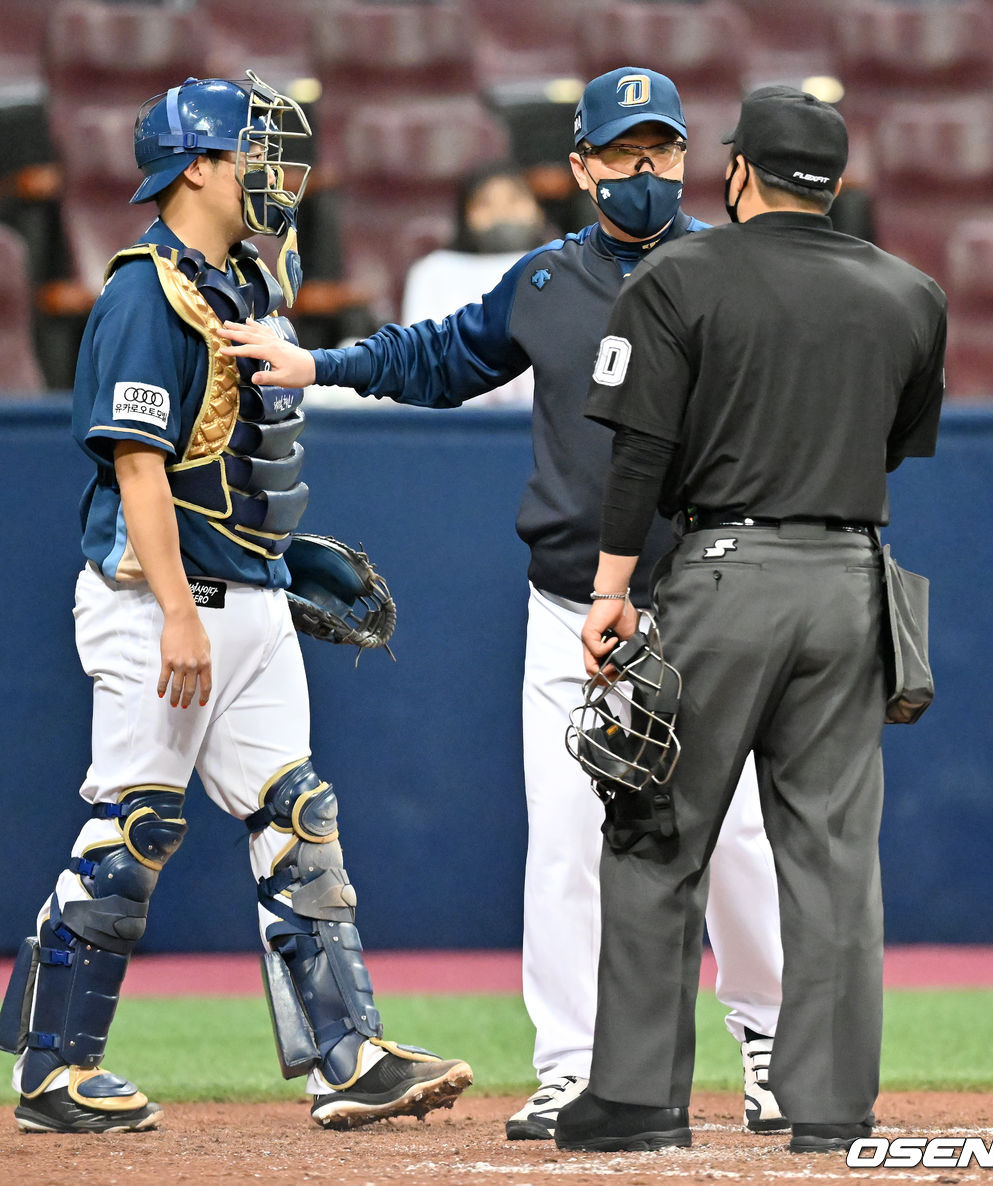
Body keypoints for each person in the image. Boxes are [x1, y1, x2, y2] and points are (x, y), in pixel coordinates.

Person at [220, 66, 787, 1141]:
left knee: (738, 835)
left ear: (687, 160)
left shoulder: (733, 270)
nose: (644, 172)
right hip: (569, 608)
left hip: (710, 599)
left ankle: (773, 1046)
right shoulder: (545, 282)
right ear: (579, 166)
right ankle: (572, 1064)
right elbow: (437, 358)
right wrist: (318, 361)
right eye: (621, 153)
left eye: (660, 151)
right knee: (566, 843)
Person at [0, 73, 471, 1134]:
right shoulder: (142, 293)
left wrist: (267, 555)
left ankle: (347, 1058)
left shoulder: (242, 286)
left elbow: (228, 464)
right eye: (251, 151)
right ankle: (52, 1071)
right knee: (133, 826)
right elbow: (136, 469)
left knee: (297, 818)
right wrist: (175, 606)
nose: (270, 172)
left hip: (248, 599)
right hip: (154, 600)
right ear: (198, 166)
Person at [558, 84, 946, 1155]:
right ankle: (829, 1110)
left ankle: (636, 1100)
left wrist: (610, 592)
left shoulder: (676, 274)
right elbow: (895, 445)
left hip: (723, 574)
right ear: (834, 182)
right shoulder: (909, 292)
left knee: (654, 830)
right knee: (830, 860)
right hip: (850, 580)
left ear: (739, 173)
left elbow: (637, 451)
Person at [401, 161, 549, 408]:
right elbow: (421, 359)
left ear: (538, 210)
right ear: (465, 215)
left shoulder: (566, 263)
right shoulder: (434, 271)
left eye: (514, 200)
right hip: (457, 418)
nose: (502, 214)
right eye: (486, 204)